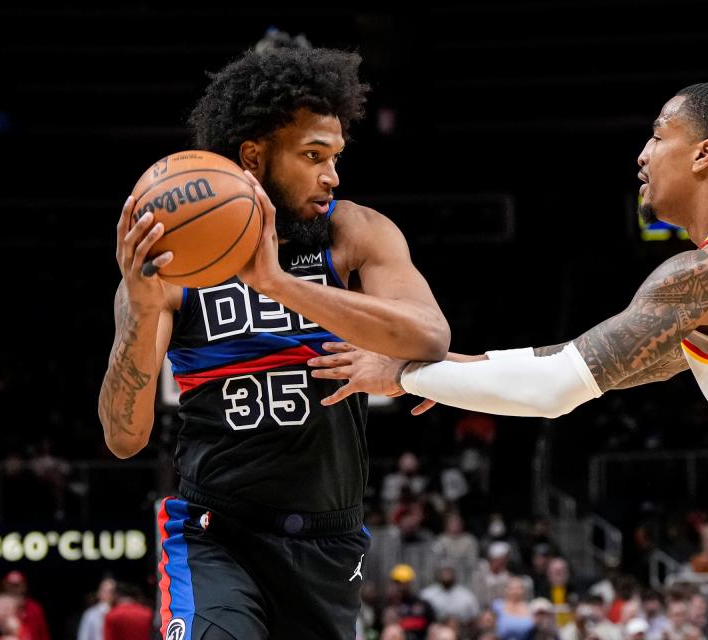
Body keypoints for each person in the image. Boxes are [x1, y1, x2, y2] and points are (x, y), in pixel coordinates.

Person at [309, 83, 708, 638]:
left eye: (658, 135)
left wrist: (400, 372)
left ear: (705, 154)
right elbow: (604, 363)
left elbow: (559, 387)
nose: (642, 154)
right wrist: (464, 372)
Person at [97, 31, 450, 640]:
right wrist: (137, 312)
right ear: (255, 158)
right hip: (216, 532)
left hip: (330, 540)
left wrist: (277, 282)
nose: (333, 176)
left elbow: (430, 337)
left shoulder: (356, 233)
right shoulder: (176, 263)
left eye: (337, 157)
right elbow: (123, 437)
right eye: (314, 157)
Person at [0, 572, 48, 640]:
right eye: (12, 585)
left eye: (18, 585)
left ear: (24, 585)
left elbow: (43, 633)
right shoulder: (0, 607)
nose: (15, 588)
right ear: (6, 585)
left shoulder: (34, 607)